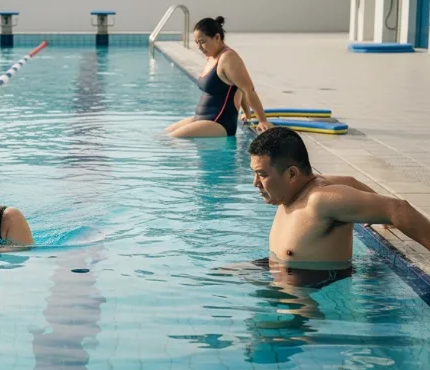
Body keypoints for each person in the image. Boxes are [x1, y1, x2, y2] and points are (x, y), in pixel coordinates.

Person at [248, 127, 430, 267]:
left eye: (262, 174)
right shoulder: (293, 193)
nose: (255, 183)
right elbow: (351, 181)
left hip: (311, 296)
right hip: (279, 272)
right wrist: (375, 207)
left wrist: (384, 213)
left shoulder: (320, 200)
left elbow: (398, 208)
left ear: (292, 174)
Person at [166, 16, 274, 138]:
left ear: (217, 37)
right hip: (202, 119)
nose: (199, 47)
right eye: (196, 42)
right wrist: (247, 114)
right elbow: (239, 88)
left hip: (218, 123)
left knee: (170, 140)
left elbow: (248, 89)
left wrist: (262, 120)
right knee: (164, 135)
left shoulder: (228, 58)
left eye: (202, 42)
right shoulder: (212, 56)